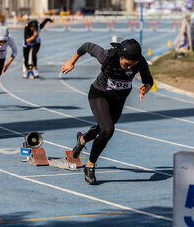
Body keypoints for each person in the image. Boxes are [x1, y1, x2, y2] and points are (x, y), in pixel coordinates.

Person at [61, 39, 153, 185]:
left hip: (119, 98)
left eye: (132, 65)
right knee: (108, 129)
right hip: (99, 94)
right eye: (126, 64)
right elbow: (86, 46)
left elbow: (148, 80)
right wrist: (71, 62)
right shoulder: (107, 56)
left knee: (102, 129)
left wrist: (145, 88)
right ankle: (90, 166)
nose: (128, 67)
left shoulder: (140, 61)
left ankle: (82, 140)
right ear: (120, 57)